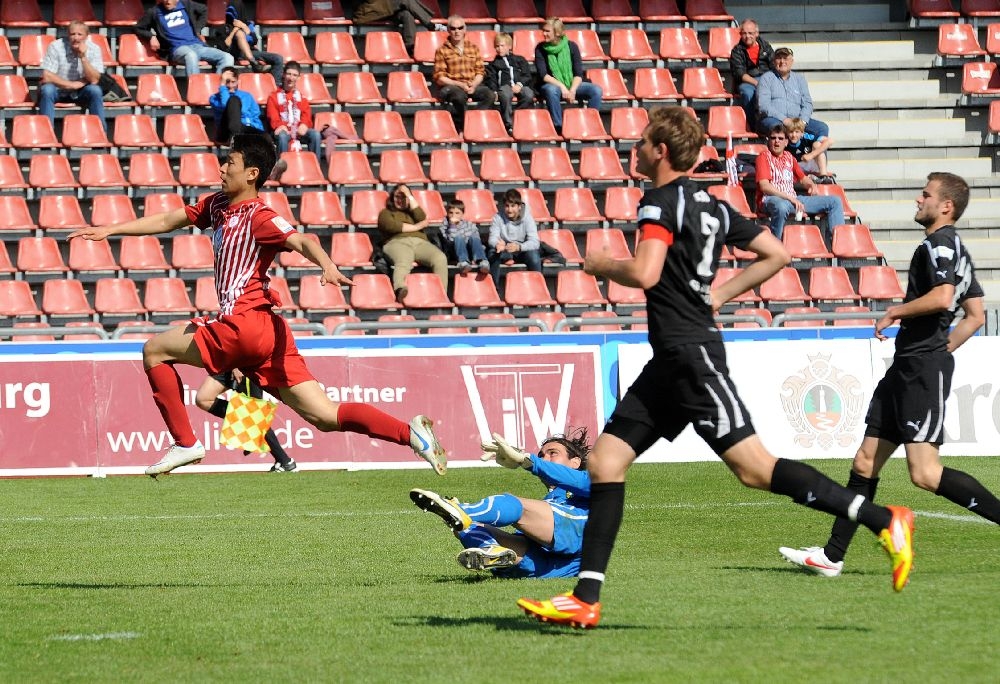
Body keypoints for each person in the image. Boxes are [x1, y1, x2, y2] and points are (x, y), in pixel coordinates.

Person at [515, 106, 915, 630]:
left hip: (692, 357)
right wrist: (719, 295)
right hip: (671, 360)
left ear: (661, 151)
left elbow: (646, 272)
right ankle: (585, 599)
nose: (636, 149)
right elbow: (776, 253)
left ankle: (885, 519)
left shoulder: (659, 201)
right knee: (605, 462)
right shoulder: (713, 205)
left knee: (755, 470)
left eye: (643, 142)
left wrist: (601, 264)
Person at [67, 134, 447, 479]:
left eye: (229, 163)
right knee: (324, 416)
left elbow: (300, 240)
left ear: (251, 173)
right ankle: (410, 434)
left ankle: (186, 443)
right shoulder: (217, 205)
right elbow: (169, 219)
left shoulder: (260, 216)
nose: (221, 168)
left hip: (244, 324)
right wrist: (111, 229)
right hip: (269, 333)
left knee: (154, 350)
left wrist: (327, 264)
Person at [779, 172, 998, 577]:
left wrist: (898, 315)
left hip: (920, 371)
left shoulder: (940, 245)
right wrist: (937, 350)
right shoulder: (954, 248)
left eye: (926, 195)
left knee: (925, 473)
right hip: (908, 367)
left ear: (946, 206)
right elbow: (976, 315)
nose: (918, 199)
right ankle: (832, 556)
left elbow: (944, 298)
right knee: (865, 462)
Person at [410, 428, 591, 577]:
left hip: (577, 535)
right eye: (541, 455)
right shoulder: (549, 501)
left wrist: (526, 460)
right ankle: (493, 551)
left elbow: (580, 481)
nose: (544, 458)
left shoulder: (593, 483)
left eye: (553, 453)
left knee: (513, 504)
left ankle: (460, 509)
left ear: (575, 462)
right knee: (465, 526)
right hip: (544, 567)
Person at [194, 370, 297, 472]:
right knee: (203, 399)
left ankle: (285, 461)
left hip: (244, 367)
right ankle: (282, 459)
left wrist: (237, 367)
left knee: (255, 416)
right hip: (224, 366)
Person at [755, 124, 844, 241]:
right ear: (768, 141)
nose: (776, 141)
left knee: (835, 201)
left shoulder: (789, 157)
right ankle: (774, 246)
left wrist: (811, 185)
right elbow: (764, 186)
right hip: (771, 199)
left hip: (793, 200)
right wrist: (789, 198)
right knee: (781, 206)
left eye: (780, 138)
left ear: (786, 142)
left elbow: (803, 178)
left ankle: (839, 243)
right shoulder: (763, 157)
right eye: (773, 138)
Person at [378, 184, 449, 302]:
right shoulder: (386, 212)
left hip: (420, 242)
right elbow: (392, 226)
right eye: (397, 196)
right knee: (403, 260)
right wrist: (417, 227)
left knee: (440, 258)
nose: (400, 200)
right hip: (397, 242)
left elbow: (422, 217)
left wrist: (409, 196)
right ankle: (400, 289)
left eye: (403, 196)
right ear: (392, 198)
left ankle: (441, 295)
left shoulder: (413, 213)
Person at [534, 17, 602, 134]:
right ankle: (558, 127)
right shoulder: (540, 48)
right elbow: (543, 75)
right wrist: (562, 87)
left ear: (557, 32)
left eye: (547, 31)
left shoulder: (572, 46)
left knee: (596, 90)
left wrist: (572, 90)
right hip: (551, 84)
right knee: (551, 90)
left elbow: (578, 74)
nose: (544, 34)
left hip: (571, 83)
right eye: (543, 31)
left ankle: (590, 124)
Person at [38, 21, 107, 133]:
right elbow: (47, 76)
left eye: (79, 34)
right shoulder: (56, 46)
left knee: (95, 90)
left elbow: (94, 79)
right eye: (72, 34)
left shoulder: (94, 49)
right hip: (58, 89)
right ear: (67, 35)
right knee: (47, 90)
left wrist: (83, 57)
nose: (76, 38)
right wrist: (72, 85)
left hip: (81, 90)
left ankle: (100, 133)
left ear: (86, 36)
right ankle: (46, 133)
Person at [135, 0, 235, 76]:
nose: (167, 1)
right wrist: (151, 36)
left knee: (227, 57)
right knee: (191, 55)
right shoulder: (155, 12)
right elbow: (138, 28)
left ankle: (218, 89)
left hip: (197, 45)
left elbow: (204, 9)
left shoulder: (186, 5)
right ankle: (195, 90)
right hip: (177, 49)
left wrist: (197, 29)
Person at [432, 15, 495, 133]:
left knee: (490, 95)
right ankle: (463, 126)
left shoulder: (474, 48)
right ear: (448, 30)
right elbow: (440, 77)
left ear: (465, 29)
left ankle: (473, 123)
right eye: (453, 28)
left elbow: (480, 71)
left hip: (471, 84)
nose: (457, 31)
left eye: (460, 28)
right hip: (451, 85)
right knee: (459, 96)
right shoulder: (441, 50)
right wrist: (460, 84)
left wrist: (474, 84)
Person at [756, 47, 828, 140]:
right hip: (774, 119)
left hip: (797, 121)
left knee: (822, 128)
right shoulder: (766, 78)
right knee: (778, 128)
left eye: (785, 58)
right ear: (774, 61)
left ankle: (816, 149)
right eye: (779, 58)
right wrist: (784, 120)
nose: (782, 61)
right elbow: (764, 106)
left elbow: (807, 103)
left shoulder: (799, 79)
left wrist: (802, 121)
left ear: (792, 61)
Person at [209, 0, 284, 78]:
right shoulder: (224, 27)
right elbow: (224, 46)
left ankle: (276, 84)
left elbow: (254, 41)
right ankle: (254, 63)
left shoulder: (248, 24)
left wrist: (244, 27)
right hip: (235, 53)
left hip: (252, 52)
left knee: (278, 58)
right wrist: (235, 30)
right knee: (239, 33)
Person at [265, 61, 322, 162]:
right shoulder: (273, 96)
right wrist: (280, 125)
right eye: (289, 74)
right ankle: (281, 168)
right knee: (282, 136)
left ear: (299, 77)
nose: (291, 78)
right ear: (283, 75)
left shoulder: (302, 97)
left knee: (315, 135)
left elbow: (306, 115)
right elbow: (273, 116)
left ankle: (315, 166)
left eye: (295, 75)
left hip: (298, 130)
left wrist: (304, 125)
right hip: (283, 130)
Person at [487, 189, 541, 287]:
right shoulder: (497, 217)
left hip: (522, 250)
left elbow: (534, 242)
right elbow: (492, 238)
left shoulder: (528, 218)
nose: (509, 210)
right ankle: (494, 289)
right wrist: (497, 244)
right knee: (492, 253)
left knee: (534, 257)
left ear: (519, 206)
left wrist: (519, 247)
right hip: (504, 250)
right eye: (507, 206)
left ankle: (537, 288)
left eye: (513, 206)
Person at [353, 0, 445, 57]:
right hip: (367, 12)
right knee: (405, 0)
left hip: (384, 10)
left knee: (407, 14)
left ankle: (410, 47)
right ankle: (431, 25)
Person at [485, 32, 535, 134]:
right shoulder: (493, 64)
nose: (499, 49)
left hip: (519, 85)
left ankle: (517, 116)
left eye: (502, 46)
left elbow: (527, 75)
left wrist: (519, 84)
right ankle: (509, 124)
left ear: (509, 46)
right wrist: (494, 91)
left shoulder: (519, 60)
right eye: (497, 46)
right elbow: (492, 79)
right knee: (505, 94)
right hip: (505, 86)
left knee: (529, 94)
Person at [729, 18, 774, 123]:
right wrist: (757, 83)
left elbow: (774, 65)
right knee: (747, 93)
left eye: (750, 33)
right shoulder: (737, 51)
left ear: (756, 33)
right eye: (744, 33)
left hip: (766, 78)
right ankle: (753, 125)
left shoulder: (765, 46)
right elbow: (739, 73)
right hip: (748, 81)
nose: (747, 36)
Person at [210, 66, 266, 144]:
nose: (230, 85)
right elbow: (227, 105)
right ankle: (236, 140)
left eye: (233, 82)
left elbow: (255, 116)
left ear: (237, 82)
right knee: (234, 100)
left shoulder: (247, 96)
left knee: (266, 137)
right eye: (227, 82)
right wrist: (222, 86)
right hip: (225, 132)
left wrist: (260, 131)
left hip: (245, 128)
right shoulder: (214, 98)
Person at [441, 197, 489, 274]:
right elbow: (451, 240)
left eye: (457, 213)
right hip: (454, 252)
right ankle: (463, 262)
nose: (453, 215)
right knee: (458, 238)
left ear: (462, 214)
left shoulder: (469, 224)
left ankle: (482, 261)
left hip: (469, 251)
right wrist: (452, 226)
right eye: (451, 213)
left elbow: (476, 240)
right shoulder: (445, 226)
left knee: (474, 238)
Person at [784, 117, 836, 183]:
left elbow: (830, 141)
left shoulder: (807, 137)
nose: (794, 135)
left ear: (802, 133)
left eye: (797, 132)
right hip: (795, 166)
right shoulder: (784, 140)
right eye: (791, 132)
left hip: (809, 163)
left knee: (817, 144)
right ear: (787, 132)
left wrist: (811, 155)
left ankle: (823, 176)